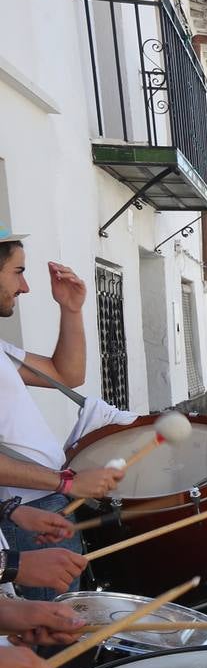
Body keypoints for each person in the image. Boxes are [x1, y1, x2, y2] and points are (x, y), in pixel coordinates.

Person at [0, 227, 122, 600]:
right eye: (18, 272)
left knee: (58, 628)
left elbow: (66, 374)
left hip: (30, 508)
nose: (25, 287)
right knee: (50, 636)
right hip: (31, 507)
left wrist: (71, 309)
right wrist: (66, 483)